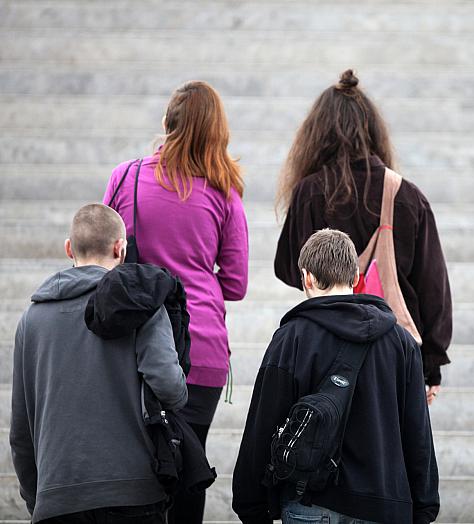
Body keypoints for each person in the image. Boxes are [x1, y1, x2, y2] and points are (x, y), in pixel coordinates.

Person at [104, 81, 249, 522]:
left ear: (167, 124)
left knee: (137, 466)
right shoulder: (224, 192)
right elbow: (237, 282)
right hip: (198, 350)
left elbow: (105, 259)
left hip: (130, 343)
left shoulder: (125, 177)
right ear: (217, 133)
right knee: (188, 464)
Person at [233, 229, 440, 524]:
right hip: (385, 503)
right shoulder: (400, 342)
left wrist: (250, 504)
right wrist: (424, 505)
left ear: (306, 277)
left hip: (311, 501)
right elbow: (417, 430)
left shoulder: (291, 338)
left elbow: (263, 422)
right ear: (356, 277)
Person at [274, 69, 451, 403]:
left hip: (324, 347)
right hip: (395, 350)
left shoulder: (310, 192)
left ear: (316, 135)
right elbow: (433, 286)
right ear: (373, 132)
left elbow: (286, 267)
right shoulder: (406, 196)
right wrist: (432, 364)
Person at [10, 203, 188, 524]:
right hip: (135, 492)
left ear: (69, 248)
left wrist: (39, 499)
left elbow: (21, 430)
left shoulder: (31, 320)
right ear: (121, 248)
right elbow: (170, 389)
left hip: (57, 496)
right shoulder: (142, 305)